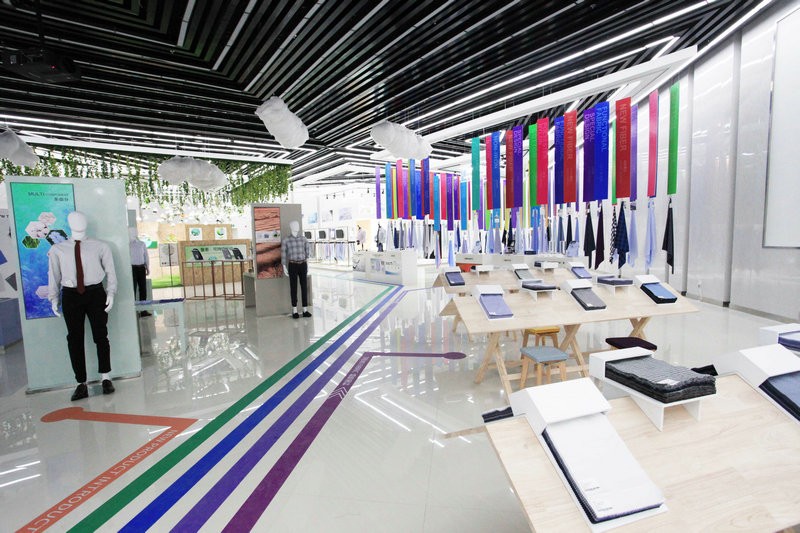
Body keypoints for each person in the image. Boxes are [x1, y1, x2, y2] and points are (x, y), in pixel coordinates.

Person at [47, 211, 117, 401]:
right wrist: (54, 298)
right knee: (74, 339)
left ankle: (106, 377)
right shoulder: (58, 249)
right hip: (71, 295)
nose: (79, 223)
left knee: (101, 335)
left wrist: (111, 292)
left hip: (95, 293)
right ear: (69, 223)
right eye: (74, 220)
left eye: (82, 219)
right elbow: (53, 275)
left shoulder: (100, 246)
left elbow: (111, 271)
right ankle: (81, 382)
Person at [281, 220, 311, 319]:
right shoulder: (286, 240)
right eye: (295, 225)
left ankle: (305, 310)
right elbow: (283, 253)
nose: (297, 226)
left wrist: (308, 264)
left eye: (298, 225)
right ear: (291, 226)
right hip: (292, 265)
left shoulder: (304, 239)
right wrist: (284, 266)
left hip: (303, 264)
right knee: (293, 287)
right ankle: (294, 310)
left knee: (304, 287)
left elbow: (307, 252)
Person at [129, 227, 149, 307]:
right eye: (132, 232)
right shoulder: (127, 245)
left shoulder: (142, 244)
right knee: (133, 289)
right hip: (132, 268)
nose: (134, 233)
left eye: (135, 231)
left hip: (141, 267)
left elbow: (146, 256)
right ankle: (133, 309)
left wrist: (147, 267)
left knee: (143, 288)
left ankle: (143, 309)